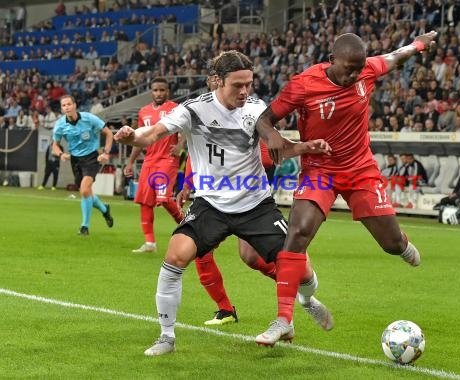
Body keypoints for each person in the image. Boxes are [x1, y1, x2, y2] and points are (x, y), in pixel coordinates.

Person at [114, 51, 333, 354]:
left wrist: (306, 147)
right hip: (211, 205)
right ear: (218, 81)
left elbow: (278, 148)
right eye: (237, 85)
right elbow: (150, 135)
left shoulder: (257, 110)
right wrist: (130, 137)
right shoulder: (193, 110)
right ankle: (166, 337)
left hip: (255, 204)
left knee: (301, 267)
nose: (244, 91)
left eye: (249, 84)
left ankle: (307, 300)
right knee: (175, 257)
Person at [254, 32, 431, 342]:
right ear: (332, 60)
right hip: (320, 169)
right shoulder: (305, 84)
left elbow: (394, 56)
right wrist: (272, 137)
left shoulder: (367, 70)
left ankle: (401, 243)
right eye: (349, 68)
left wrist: (418, 44)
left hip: (360, 170)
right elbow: (264, 119)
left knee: (390, 245)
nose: (354, 75)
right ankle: (284, 319)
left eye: (358, 68)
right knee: (297, 233)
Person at [123, 78, 185, 253]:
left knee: (164, 199)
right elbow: (140, 138)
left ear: (168, 91)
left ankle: (189, 227)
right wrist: (130, 161)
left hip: (167, 159)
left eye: (162, 90)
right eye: (155, 90)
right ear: (151, 92)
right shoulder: (144, 112)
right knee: (144, 201)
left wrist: (180, 145)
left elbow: (187, 127)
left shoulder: (175, 108)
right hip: (149, 160)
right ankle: (150, 243)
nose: (158, 93)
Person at [52, 95, 114, 235]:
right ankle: (105, 210)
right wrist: (61, 154)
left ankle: (84, 227)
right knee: (87, 192)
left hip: (92, 157)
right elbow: (54, 145)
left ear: (75, 105)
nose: (67, 107)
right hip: (75, 160)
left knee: (85, 189)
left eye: (69, 104)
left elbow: (108, 133)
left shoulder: (89, 118)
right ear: (62, 108)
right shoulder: (60, 125)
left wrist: (106, 152)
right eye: (64, 105)